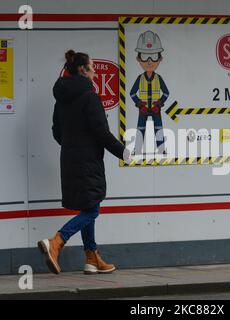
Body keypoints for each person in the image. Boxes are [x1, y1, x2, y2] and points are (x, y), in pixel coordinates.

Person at [38, 50, 130, 275]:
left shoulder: (61, 99)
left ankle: (92, 258)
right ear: (83, 70)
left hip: (70, 159)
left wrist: (72, 146)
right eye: (92, 68)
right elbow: (101, 132)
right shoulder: (89, 97)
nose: (95, 73)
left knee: (89, 205)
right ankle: (57, 241)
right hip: (88, 160)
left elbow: (56, 131)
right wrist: (122, 151)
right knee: (92, 210)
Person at [130, 30, 169, 155]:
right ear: (139, 59)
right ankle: (137, 149)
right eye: (145, 56)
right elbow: (132, 93)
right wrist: (139, 104)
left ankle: (162, 149)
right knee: (140, 129)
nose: (149, 61)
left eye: (154, 56)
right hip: (144, 108)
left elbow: (166, 93)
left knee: (158, 129)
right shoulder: (140, 78)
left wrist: (159, 104)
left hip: (155, 108)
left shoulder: (158, 78)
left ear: (159, 59)